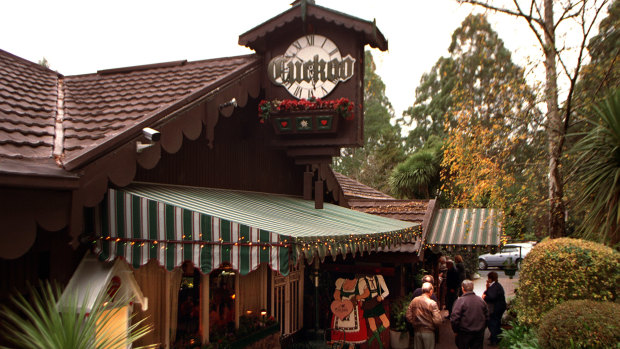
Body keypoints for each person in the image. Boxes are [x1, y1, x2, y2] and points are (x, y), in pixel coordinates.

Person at [331, 275, 370, 348]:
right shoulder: (341, 281)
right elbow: (336, 293)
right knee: (340, 336)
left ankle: (351, 346)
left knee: (352, 341)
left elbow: (367, 293)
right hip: (342, 309)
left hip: (354, 309)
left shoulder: (360, 282)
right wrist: (339, 301)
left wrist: (359, 297)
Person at [450, 280, 488, 349]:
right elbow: (487, 317)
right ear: (472, 288)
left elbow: (454, 318)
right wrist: (482, 328)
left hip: (464, 333)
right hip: (478, 333)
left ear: (462, 288)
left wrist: (456, 330)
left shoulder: (460, 301)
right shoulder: (481, 301)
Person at [406, 282, 443, 349]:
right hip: (429, 332)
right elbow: (437, 321)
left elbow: (408, 315)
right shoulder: (432, 303)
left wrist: (414, 322)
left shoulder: (415, 300)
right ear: (431, 291)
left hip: (417, 331)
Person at [361, 274, 390, 348]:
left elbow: (386, 291)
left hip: (377, 302)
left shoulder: (379, 277)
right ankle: (380, 344)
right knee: (372, 325)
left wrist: (382, 297)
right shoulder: (362, 281)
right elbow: (361, 294)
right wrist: (361, 300)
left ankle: (372, 338)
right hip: (367, 304)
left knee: (386, 323)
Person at [482, 271, 507, 346]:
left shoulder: (494, 287)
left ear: (490, 279)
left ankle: (495, 340)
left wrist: (485, 297)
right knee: (496, 322)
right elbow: (489, 292)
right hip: (500, 307)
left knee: (492, 323)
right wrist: (487, 288)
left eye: (488, 278)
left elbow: (492, 297)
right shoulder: (496, 285)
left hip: (496, 308)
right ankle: (496, 337)